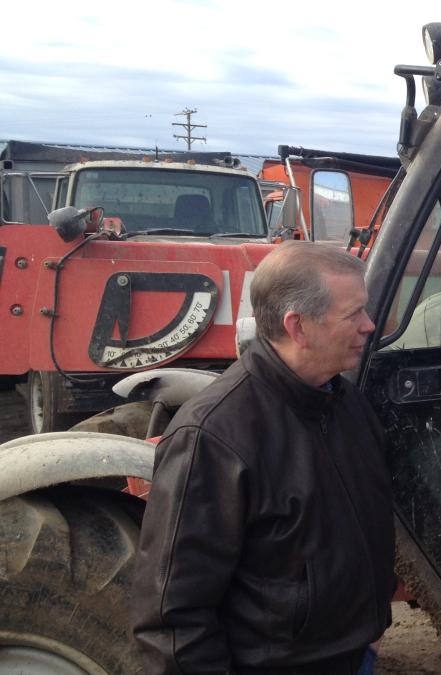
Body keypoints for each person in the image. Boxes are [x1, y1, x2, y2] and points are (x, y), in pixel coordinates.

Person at [131, 241, 396, 675]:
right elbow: (172, 617)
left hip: (353, 654)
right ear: (298, 327)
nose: (370, 326)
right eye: (354, 315)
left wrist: (369, 623)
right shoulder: (214, 436)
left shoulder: (343, 402)